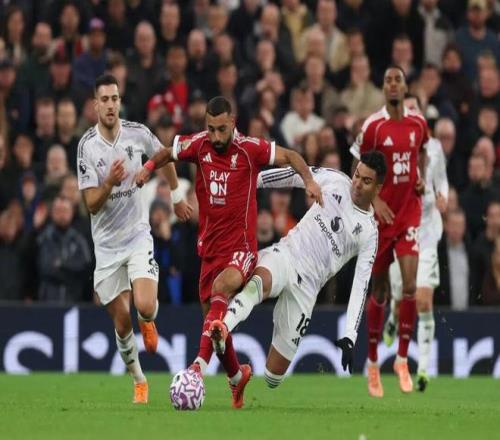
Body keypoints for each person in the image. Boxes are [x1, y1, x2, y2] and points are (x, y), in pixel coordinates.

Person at [136, 96, 323, 408]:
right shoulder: (199, 145)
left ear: (232, 123)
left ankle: (197, 367)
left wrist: (309, 181)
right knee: (215, 325)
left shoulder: (250, 149)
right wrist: (148, 169)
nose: (216, 136)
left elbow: (291, 155)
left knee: (221, 290)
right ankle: (237, 377)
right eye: (210, 129)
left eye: (221, 129)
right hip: (210, 249)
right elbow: (168, 151)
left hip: (241, 248)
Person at [207, 152, 386, 389]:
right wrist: (253, 181)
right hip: (287, 255)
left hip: (307, 289)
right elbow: (295, 175)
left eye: (366, 181)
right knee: (261, 281)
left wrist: (350, 336)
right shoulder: (335, 180)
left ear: (378, 188)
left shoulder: (369, 233)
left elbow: (360, 286)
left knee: (273, 378)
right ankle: (222, 328)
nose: (357, 184)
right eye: (357, 175)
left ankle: (244, 366)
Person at [77, 74, 192, 404]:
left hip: (137, 235)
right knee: (122, 320)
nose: (111, 105)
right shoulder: (87, 147)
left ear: (119, 101)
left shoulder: (137, 133)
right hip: (106, 246)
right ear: (95, 105)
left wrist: (176, 196)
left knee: (143, 306)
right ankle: (139, 380)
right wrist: (110, 182)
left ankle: (149, 319)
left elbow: (164, 156)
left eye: (115, 98)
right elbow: (91, 204)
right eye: (105, 100)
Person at [350, 65, 429, 397]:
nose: (393, 84)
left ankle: (401, 359)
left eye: (398, 80)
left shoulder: (418, 123)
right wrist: (376, 199)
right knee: (380, 292)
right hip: (381, 218)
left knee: (410, 285)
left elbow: (422, 152)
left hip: (409, 212)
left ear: (406, 87)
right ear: (383, 89)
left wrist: (420, 176)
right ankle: (372, 363)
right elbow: (357, 168)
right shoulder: (374, 127)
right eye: (388, 81)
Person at [383, 94, 449, 392]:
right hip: (400, 229)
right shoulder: (388, 145)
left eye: (413, 108)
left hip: (426, 232)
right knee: (401, 300)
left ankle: (422, 368)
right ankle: (393, 319)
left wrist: (442, 194)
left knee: (422, 300)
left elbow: (441, 179)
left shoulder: (433, 147)